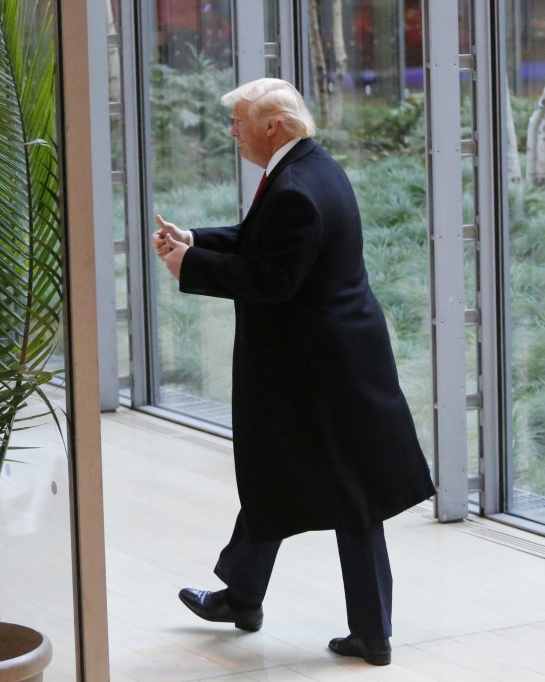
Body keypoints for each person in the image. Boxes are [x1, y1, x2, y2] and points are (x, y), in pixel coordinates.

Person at [153, 78, 435, 666]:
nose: (231, 132)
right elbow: (267, 246)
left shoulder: (296, 188)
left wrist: (190, 266)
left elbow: (272, 280)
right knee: (281, 476)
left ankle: (369, 634)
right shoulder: (310, 168)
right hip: (327, 363)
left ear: (271, 127)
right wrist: (197, 241)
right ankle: (247, 598)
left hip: (315, 372)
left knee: (341, 495)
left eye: (238, 122)